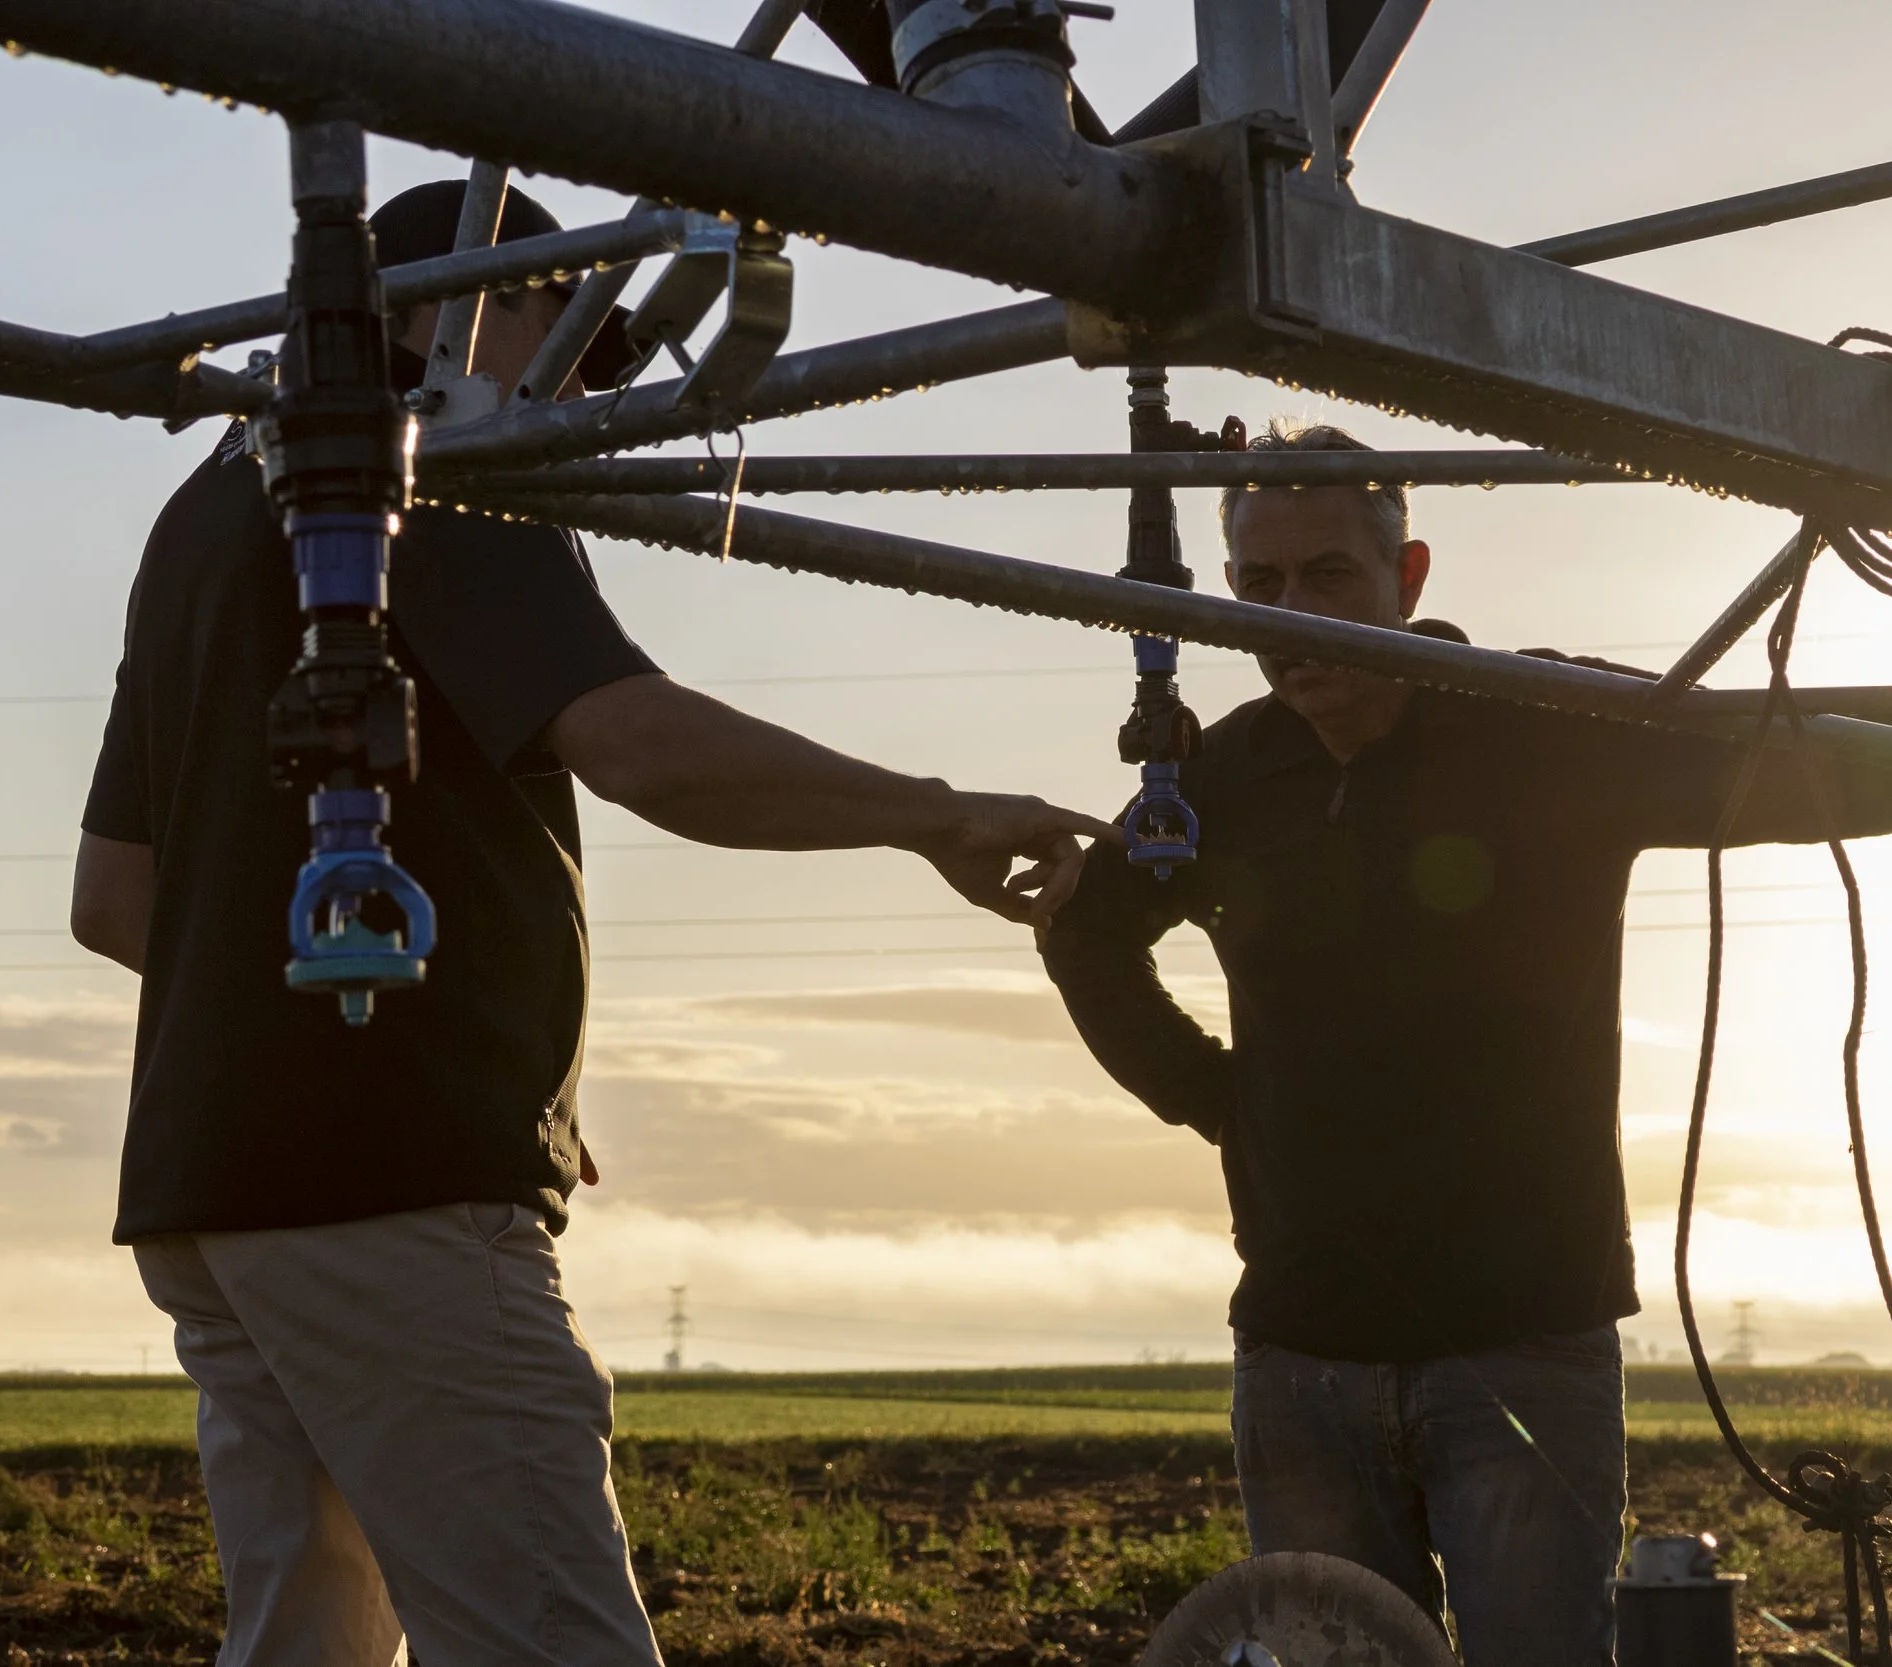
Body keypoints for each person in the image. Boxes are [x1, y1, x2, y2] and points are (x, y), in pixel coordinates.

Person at [69, 181, 1115, 1667]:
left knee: (312, 1641)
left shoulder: (200, 513)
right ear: (437, 307)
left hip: (216, 1189)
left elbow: (116, 900)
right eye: (552, 327)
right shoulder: (439, 455)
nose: (569, 386)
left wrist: (445, 1020)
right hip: (395, 1182)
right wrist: (936, 809)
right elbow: (645, 748)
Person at [1039, 421, 1892, 1666]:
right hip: (1301, 1346)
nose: (1294, 617)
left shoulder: (1548, 721)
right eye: (1261, 588)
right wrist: (1218, 1098)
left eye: (1331, 577)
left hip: (1520, 1341)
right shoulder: (1227, 773)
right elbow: (1087, 931)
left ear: (1405, 579)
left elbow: (1806, 758)